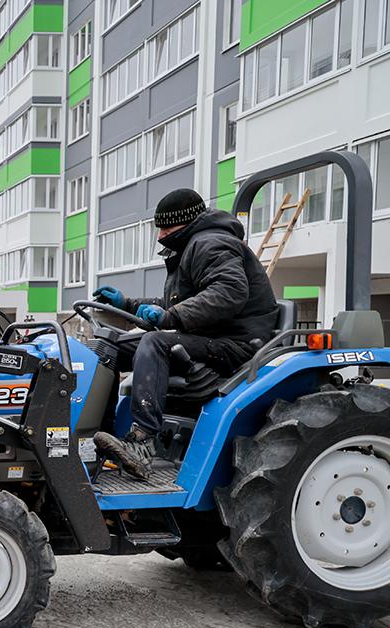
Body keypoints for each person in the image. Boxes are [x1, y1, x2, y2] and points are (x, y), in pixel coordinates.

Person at [92, 189, 279, 479]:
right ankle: (97, 435)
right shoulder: (191, 247)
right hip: (208, 337)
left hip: (236, 342)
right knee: (109, 346)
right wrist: (126, 304)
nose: (160, 236)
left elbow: (229, 292)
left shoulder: (211, 243)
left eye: (165, 228)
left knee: (156, 343)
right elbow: (175, 305)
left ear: (185, 222)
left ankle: (141, 443)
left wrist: (171, 317)